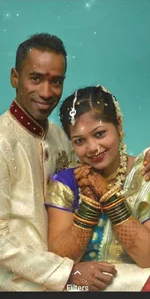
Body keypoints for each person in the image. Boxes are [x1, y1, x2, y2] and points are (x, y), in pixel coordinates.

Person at [0, 34, 120, 292]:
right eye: (36, 78)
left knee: (136, 279)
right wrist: (67, 272)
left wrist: (148, 159)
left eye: (56, 82)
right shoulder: (2, 141)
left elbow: (104, 163)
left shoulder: (61, 137)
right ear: (14, 78)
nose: (46, 92)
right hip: (16, 283)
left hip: (67, 269)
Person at [45, 85, 150, 291]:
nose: (93, 148)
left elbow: (147, 257)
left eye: (100, 134)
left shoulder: (147, 172)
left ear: (119, 125)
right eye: (79, 141)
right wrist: (88, 203)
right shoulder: (66, 183)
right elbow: (60, 260)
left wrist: (107, 194)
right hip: (83, 288)